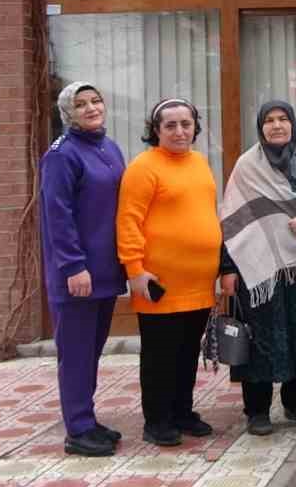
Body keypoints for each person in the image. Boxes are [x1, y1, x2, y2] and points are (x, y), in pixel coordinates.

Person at [218, 101, 296, 434]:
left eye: (283, 119)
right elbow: (232, 219)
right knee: (262, 337)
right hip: (261, 266)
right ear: (261, 126)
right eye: (270, 121)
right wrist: (227, 268)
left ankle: (295, 402)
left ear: (292, 123)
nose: (277, 126)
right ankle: (257, 410)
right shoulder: (248, 165)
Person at [117, 98, 222, 447]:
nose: (180, 131)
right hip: (158, 283)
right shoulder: (143, 167)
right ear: (156, 130)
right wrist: (135, 270)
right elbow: (128, 221)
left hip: (198, 282)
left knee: (187, 352)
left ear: (195, 127)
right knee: (160, 356)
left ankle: (182, 412)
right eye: (170, 125)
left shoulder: (201, 163)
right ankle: (157, 420)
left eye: (186, 124)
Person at [40, 82, 127, 457]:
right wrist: (73, 266)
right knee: (75, 353)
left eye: (96, 101)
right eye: (80, 104)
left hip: (106, 271)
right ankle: (77, 429)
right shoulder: (62, 155)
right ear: (67, 113)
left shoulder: (109, 148)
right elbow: (57, 216)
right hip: (77, 275)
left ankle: (86, 418)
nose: (91, 108)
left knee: (92, 350)